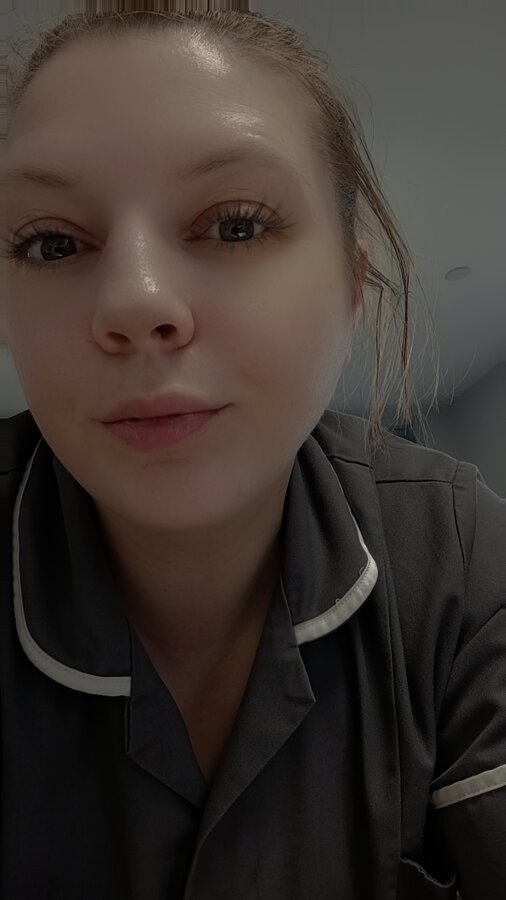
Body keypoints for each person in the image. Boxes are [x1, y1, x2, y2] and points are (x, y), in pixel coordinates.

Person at [0, 10, 504, 899]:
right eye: (55, 243)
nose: (134, 303)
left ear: (352, 287)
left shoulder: (465, 558)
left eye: (235, 225)